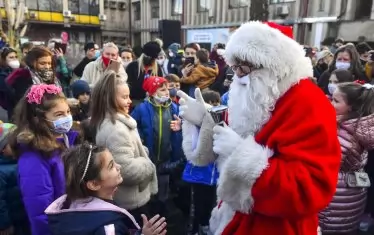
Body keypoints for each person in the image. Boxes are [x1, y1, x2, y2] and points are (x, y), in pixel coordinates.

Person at [176, 21, 341, 235]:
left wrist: (242, 155)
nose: (237, 77)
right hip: (236, 217)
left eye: (244, 69)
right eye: (234, 68)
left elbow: (310, 188)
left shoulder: (308, 102)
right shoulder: (259, 93)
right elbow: (235, 130)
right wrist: (206, 120)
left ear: (273, 66)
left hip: (279, 226)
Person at [45, 142, 167, 235]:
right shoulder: (108, 226)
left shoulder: (70, 208)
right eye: (111, 166)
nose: (119, 167)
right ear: (94, 184)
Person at [8, 84, 79, 235]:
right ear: (38, 118)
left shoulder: (65, 140)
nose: (67, 118)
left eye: (67, 112)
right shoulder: (33, 155)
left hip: (72, 222)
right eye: (59, 114)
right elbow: (40, 211)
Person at [90, 71, 158, 226]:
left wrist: (142, 152)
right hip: (131, 201)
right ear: (109, 99)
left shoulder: (114, 122)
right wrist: (147, 163)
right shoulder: (116, 130)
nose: (129, 101)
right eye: (124, 97)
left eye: (128, 96)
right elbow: (126, 170)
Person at [319, 82, 374, 234]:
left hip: (336, 198)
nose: (331, 103)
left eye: (336, 101)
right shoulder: (358, 127)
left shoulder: (343, 132)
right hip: (352, 193)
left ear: (350, 107)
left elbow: (326, 161)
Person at [6, 46, 62, 120]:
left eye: (49, 63)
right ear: (33, 63)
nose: (47, 67)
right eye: (43, 63)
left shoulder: (53, 78)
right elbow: (25, 105)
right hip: (29, 120)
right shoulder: (23, 78)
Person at [0, 123, 30, 235]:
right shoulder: (2, 171)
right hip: (13, 221)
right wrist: (4, 224)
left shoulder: (21, 160)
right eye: (13, 144)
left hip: (25, 215)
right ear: (2, 149)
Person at [126, 40, 163, 107]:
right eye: (146, 56)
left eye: (151, 58)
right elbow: (128, 86)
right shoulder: (133, 66)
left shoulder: (157, 68)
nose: (148, 59)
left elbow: (160, 84)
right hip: (136, 101)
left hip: (153, 101)